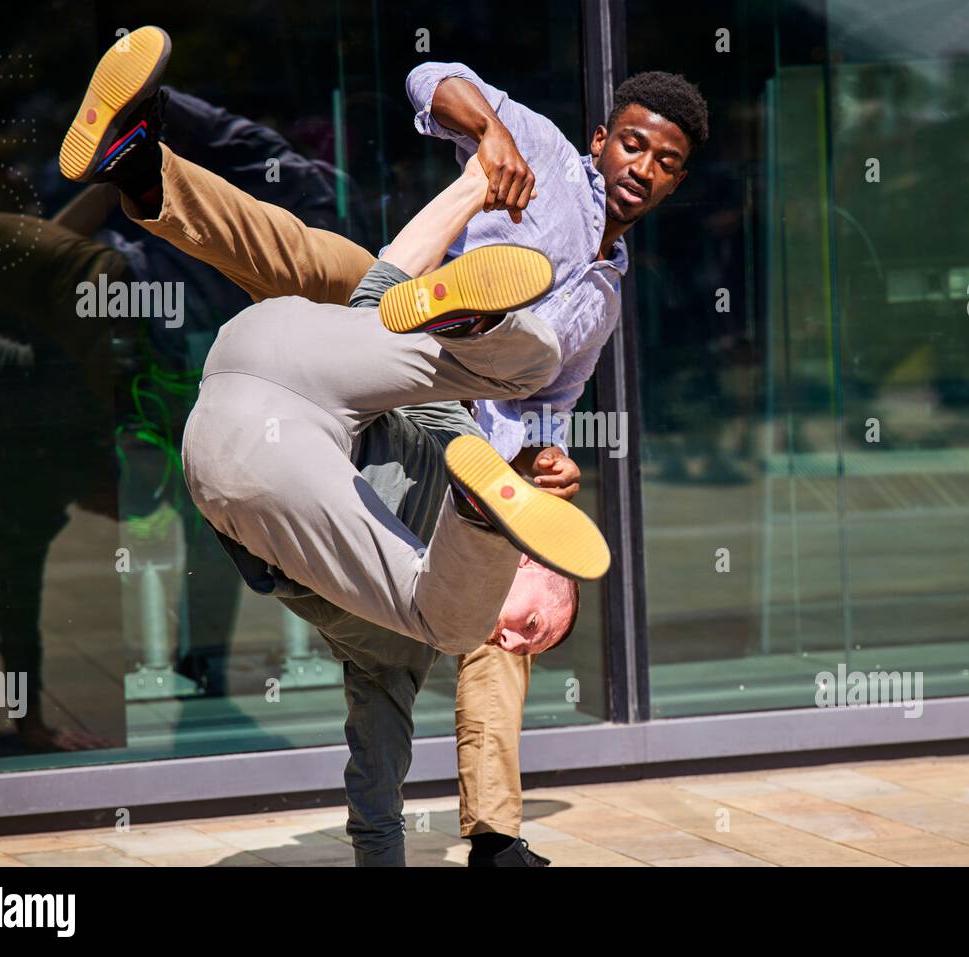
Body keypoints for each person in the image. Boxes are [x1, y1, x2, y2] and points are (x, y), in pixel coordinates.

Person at [58, 25, 709, 864]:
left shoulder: (607, 301)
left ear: (676, 179)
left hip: (451, 428)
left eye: (664, 162)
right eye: (633, 144)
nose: (642, 169)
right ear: (603, 138)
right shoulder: (542, 148)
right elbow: (429, 77)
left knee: (473, 621)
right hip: (406, 332)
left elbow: (553, 406)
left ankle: (493, 833)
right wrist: (490, 133)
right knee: (304, 256)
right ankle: (145, 167)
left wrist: (547, 462)